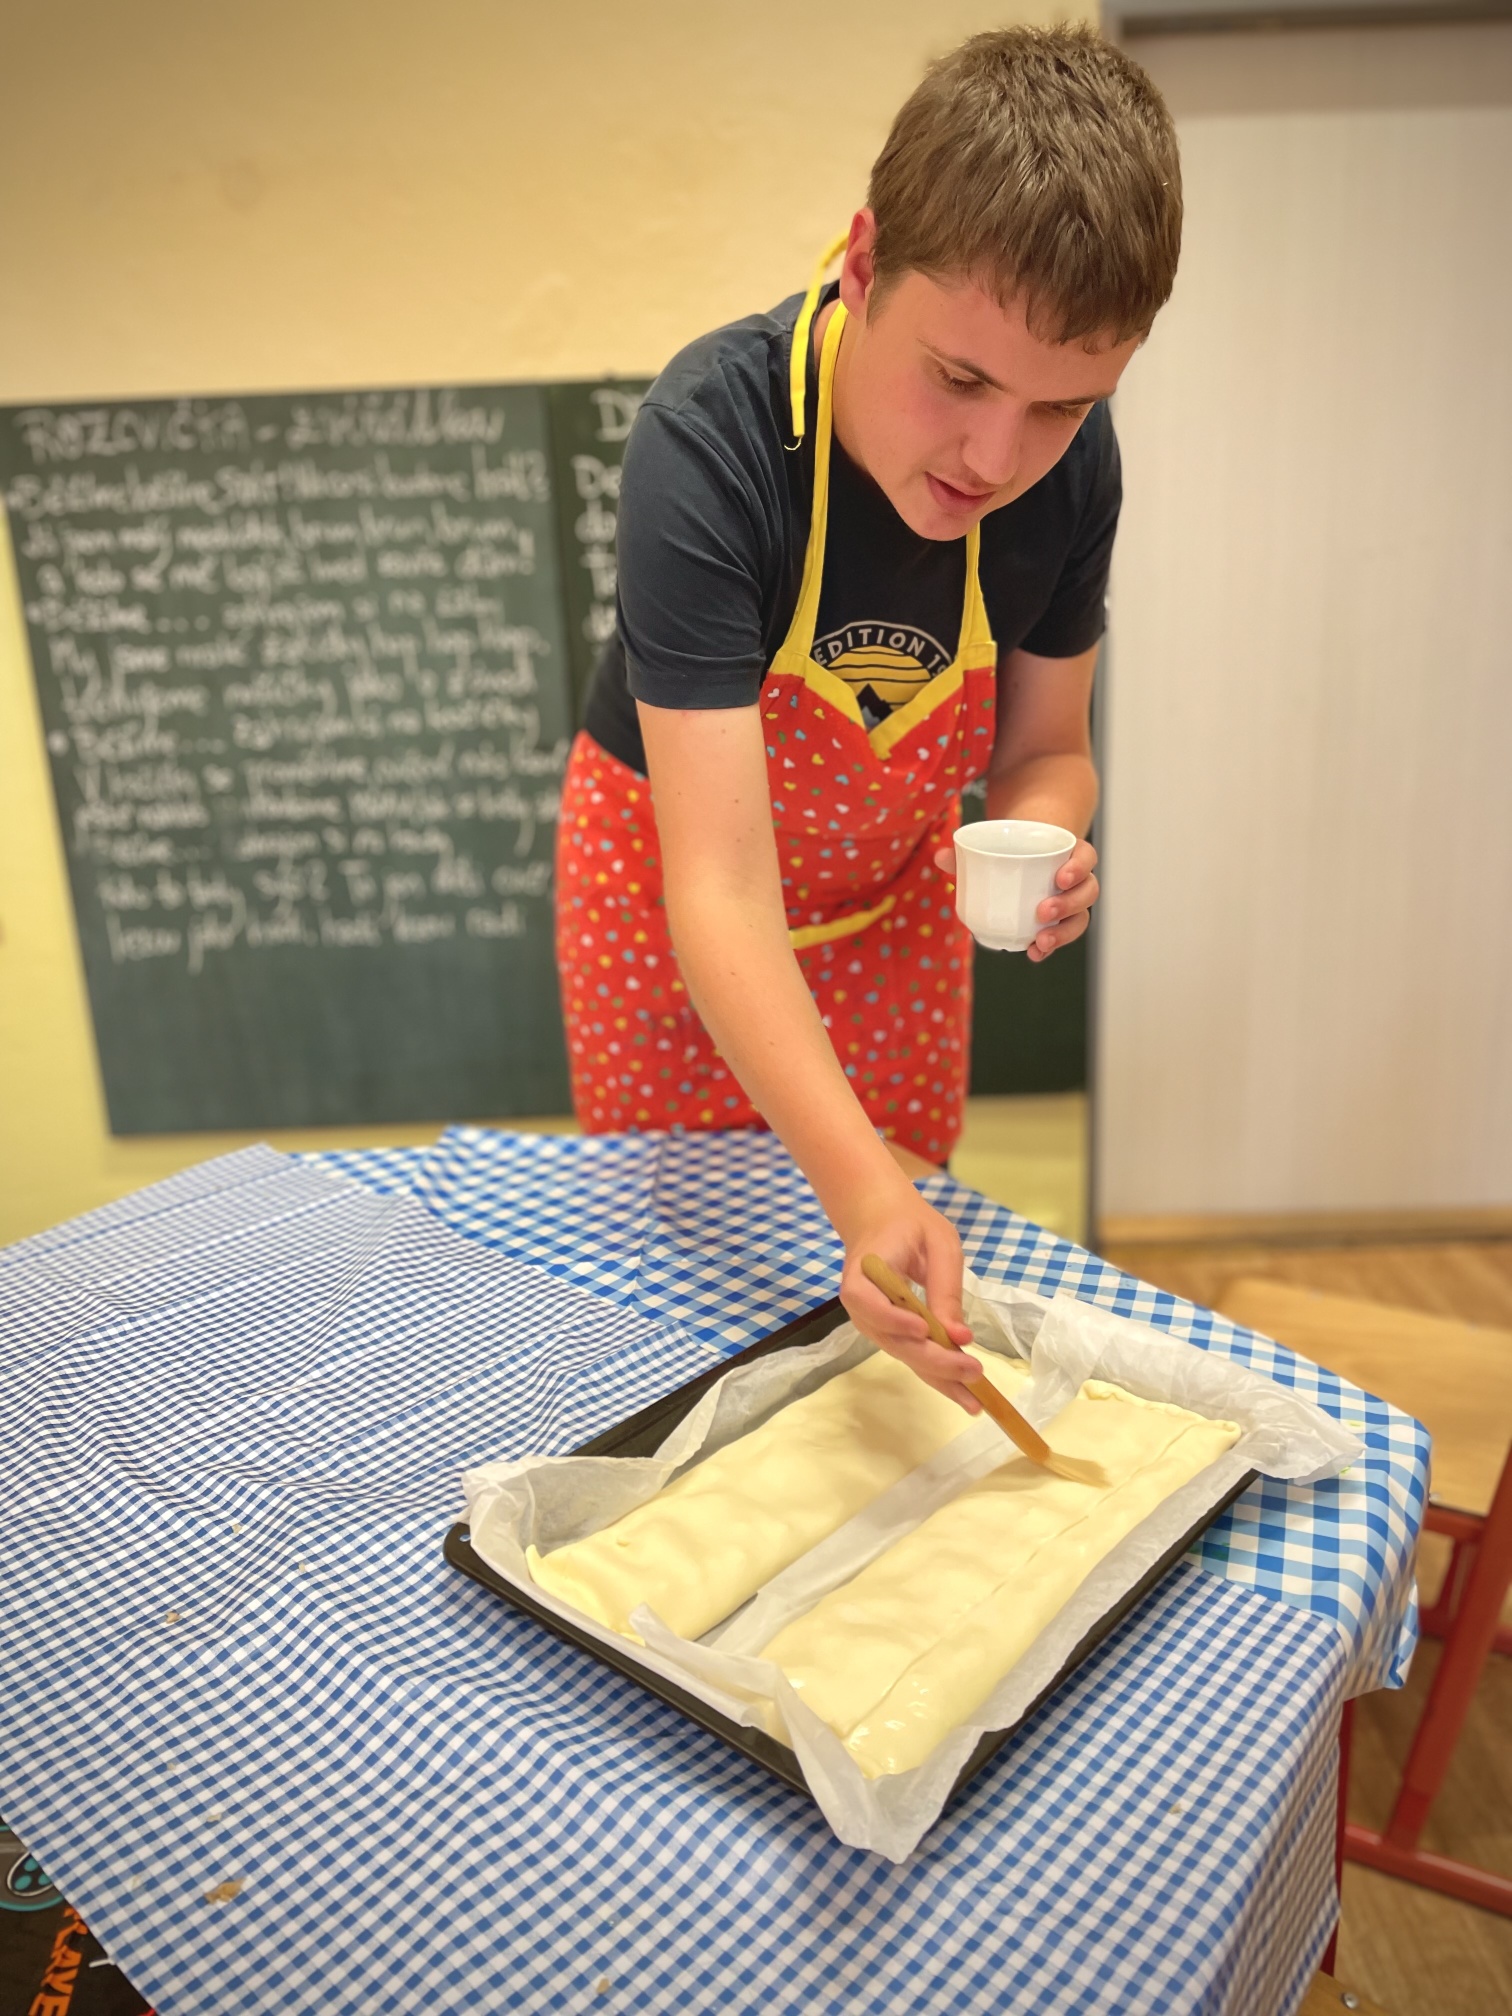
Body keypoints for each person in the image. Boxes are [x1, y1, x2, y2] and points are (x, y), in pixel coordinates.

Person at [556, 25, 1181, 1411]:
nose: (995, 459)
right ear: (862, 262)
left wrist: (1040, 842)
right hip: (684, 903)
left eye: (1062, 407)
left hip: (899, 898)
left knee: (881, 1296)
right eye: (959, 379)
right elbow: (721, 888)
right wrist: (865, 1193)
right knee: (693, 1284)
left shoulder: (1074, 478)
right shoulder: (712, 445)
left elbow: (1046, 751)